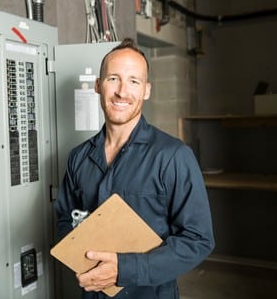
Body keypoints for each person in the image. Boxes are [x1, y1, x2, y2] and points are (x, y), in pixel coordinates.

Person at [54, 38, 215, 298]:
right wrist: (81, 254)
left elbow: (198, 239)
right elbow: (65, 218)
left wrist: (124, 270)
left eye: (133, 81)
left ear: (147, 90)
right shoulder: (78, 158)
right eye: (113, 79)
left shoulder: (173, 156)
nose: (122, 92)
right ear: (98, 85)